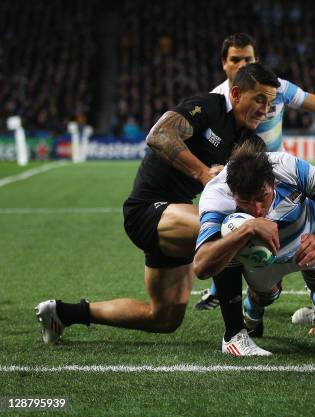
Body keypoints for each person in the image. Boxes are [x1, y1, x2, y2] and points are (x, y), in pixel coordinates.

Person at [35, 63, 280, 344]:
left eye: (270, 103)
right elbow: (159, 135)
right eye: (259, 99)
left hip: (176, 219)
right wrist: (203, 174)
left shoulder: (249, 142)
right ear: (236, 94)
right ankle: (236, 336)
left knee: (163, 318)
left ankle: (63, 313)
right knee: (230, 232)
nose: (265, 109)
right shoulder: (208, 107)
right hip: (147, 210)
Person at [197, 33, 315, 310]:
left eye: (248, 59)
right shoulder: (216, 103)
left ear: (256, 60)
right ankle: (225, 290)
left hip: (279, 180)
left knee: (314, 218)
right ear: (224, 63)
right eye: (236, 59)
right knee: (234, 237)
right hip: (241, 186)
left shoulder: (277, 89)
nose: (242, 64)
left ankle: (314, 276)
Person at [193, 142, 315, 355]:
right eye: (246, 202)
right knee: (264, 296)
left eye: (262, 198)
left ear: (273, 183)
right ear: (233, 192)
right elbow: (202, 266)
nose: (257, 210)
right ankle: (250, 321)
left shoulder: (290, 168)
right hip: (262, 257)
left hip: (310, 237)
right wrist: (246, 229)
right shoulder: (217, 196)